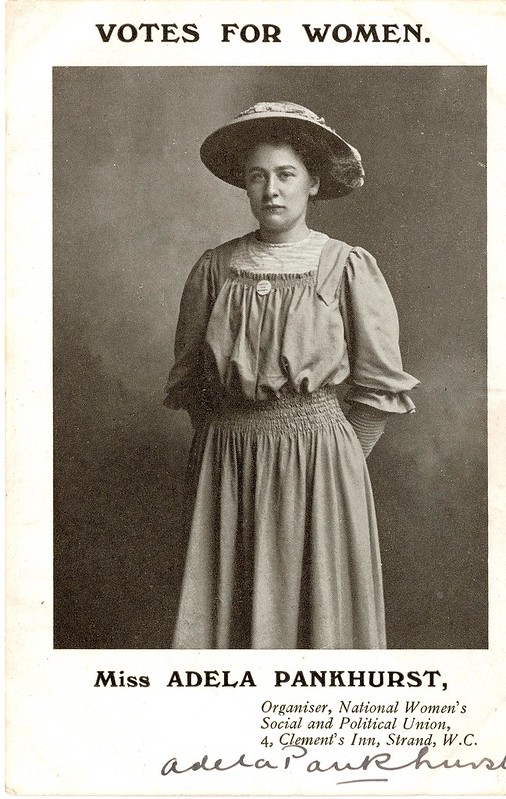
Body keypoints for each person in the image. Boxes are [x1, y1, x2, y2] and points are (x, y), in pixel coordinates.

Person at [164, 102, 419, 649]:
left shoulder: (346, 266)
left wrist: (332, 459)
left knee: (315, 619)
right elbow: (192, 384)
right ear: (245, 186)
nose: (272, 191)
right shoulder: (214, 268)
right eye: (258, 177)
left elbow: (379, 388)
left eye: (286, 175)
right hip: (227, 463)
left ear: (313, 184)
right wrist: (234, 440)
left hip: (321, 466)